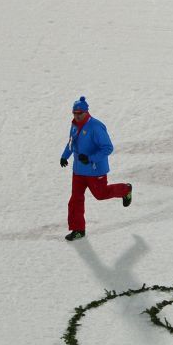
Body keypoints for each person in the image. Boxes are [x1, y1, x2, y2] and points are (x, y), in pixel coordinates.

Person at [59, 96, 133, 241]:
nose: (77, 116)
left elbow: (108, 148)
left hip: (94, 171)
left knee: (101, 194)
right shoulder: (74, 125)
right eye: (74, 113)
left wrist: (90, 158)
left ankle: (126, 189)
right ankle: (78, 229)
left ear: (86, 112)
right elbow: (71, 143)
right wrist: (64, 156)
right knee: (75, 199)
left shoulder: (96, 127)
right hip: (78, 171)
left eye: (79, 113)